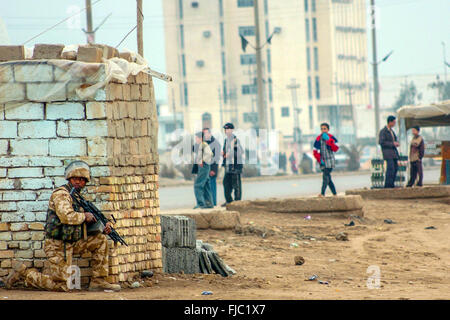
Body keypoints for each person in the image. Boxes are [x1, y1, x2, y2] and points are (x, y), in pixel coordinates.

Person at [5, 161, 121, 292]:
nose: (78, 182)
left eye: (82, 180)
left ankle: (98, 281)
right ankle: (24, 273)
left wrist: (104, 224)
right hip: (57, 245)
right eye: (75, 179)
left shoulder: (77, 197)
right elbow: (66, 216)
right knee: (62, 286)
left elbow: (88, 217)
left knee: (100, 240)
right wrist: (84, 216)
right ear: (69, 179)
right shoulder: (61, 194)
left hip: (73, 242)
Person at [313, 123, 339, 196]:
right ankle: (334, 193)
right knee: (328, 178)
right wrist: (319, 159)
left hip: (330, 161)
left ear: (328, 129)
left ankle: (322, 193)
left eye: (325, 129)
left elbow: (336, 149)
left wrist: (329, 140)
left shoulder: (332, 137)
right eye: (322, 129)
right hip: (322, 161)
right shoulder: (318, 138)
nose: (323, 130)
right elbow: (315, 151)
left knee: (325, 176)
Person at [221, 123, 244, 207]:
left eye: (228, 129)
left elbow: (240, 152)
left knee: (236, 185)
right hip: (228, 167)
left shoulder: (235, 140)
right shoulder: (226, 140)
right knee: (226, 184)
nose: (226, 131)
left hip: (235, 167)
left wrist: (230, 154)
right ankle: (229, 201)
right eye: (225, 130)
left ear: (232, 130)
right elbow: (225, 152)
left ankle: (237, 201)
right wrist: (223, 154)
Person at [192, 131, 214, 209]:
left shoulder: (203, 145)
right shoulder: (201, 145)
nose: (196, 139)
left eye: (197, 138)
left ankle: (201, 204)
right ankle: (209, 203)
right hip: (205, 167)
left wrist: (202, 160)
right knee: (206, 185)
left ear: (200, 138)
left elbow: (210, 154)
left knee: (198, 185)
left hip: (204, 167)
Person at [379, 115, 400, 188]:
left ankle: (392, 184)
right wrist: (392, 144)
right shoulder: (383, 131)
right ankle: (388, 185)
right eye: (394, 122)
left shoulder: (392, 131)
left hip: (394, 153)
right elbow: (381, 142)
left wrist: (396, 143)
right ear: (390, 122)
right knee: (390, 169)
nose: (394, 124)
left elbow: (394, 140)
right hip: (388, 153)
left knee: (395, 168)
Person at [202, 128, 221, 206]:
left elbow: (216, 158)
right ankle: (207, 203)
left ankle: (213, 203)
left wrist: (213, 170)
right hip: (206, 169)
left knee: (212, 187)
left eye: (206, 133)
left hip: (212, 169)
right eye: (203, 134)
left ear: (210, 134)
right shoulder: (204, 143)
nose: (204, 135)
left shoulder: (215, 143)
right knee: (206, 187)